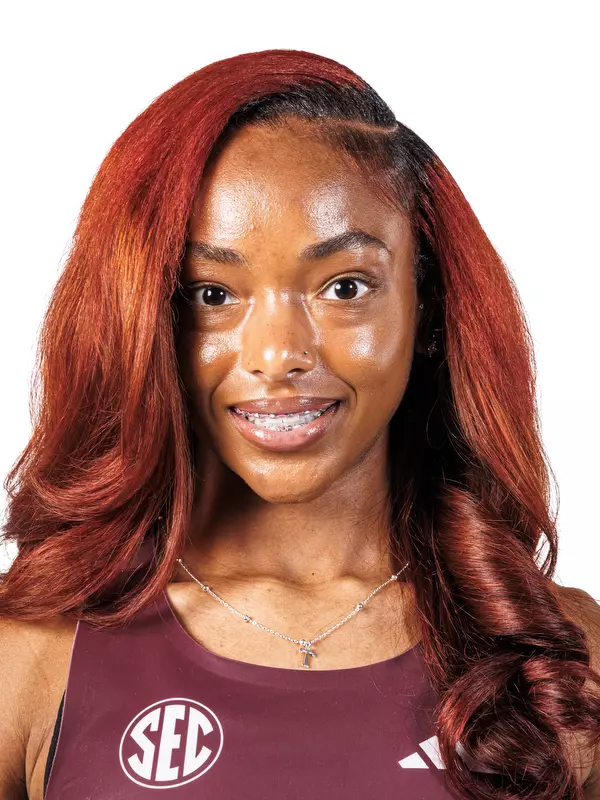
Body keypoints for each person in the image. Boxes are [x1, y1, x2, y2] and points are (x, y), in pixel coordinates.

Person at [0, 48, 599, 800]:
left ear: (429, 309)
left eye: (344, 286)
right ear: (138, 319)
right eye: (211, 294)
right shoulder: (32, 653)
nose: (278, 354)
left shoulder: (561, 661)